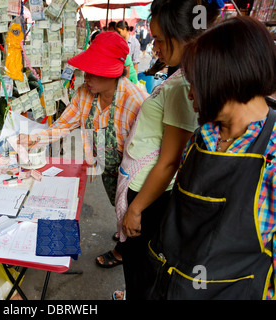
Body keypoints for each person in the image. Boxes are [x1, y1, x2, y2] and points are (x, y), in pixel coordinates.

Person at [147, 16, 276, 300]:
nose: (191, 94)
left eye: (197, 84)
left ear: (225, 80)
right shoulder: (203, 137)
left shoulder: (272, 154)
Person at [110, 0, 222, 300]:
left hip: (151, 196)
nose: (155, 47)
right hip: (150, 191)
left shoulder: (182, 86)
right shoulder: (182, 77)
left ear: (181, 35)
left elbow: (170, 161)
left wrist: (135, 209)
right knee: (140, 270)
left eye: (159, 39)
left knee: (142, 273)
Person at [18, 32, 148, 255]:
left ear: (112, 73)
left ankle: (123, 251)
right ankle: (123, 231)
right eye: (86, 71)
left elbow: (147, 158)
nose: (86, 77)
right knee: (117, 207)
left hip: (134, 172)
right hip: (106, 167)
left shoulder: (136, 102)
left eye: (93, 72)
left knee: (134, 214)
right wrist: (33, 139)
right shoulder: (84, 94)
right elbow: (62, 125)